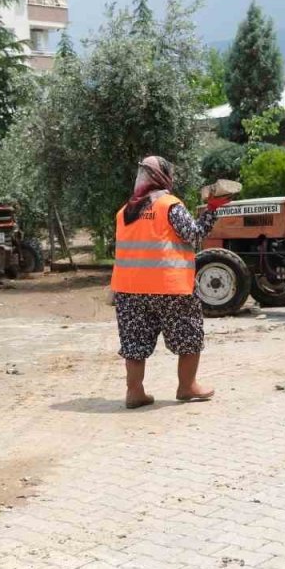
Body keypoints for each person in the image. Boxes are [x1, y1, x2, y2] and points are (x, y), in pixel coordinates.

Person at [111, 156, 231, 409]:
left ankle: (135, 392)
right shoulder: (169, 205)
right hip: (169, 286)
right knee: (188, 334)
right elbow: (195, 236)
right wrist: (211, 210)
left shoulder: (125, 212)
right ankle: (187, 386)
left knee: (134, 342)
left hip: (128, 288)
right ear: (162, 177)